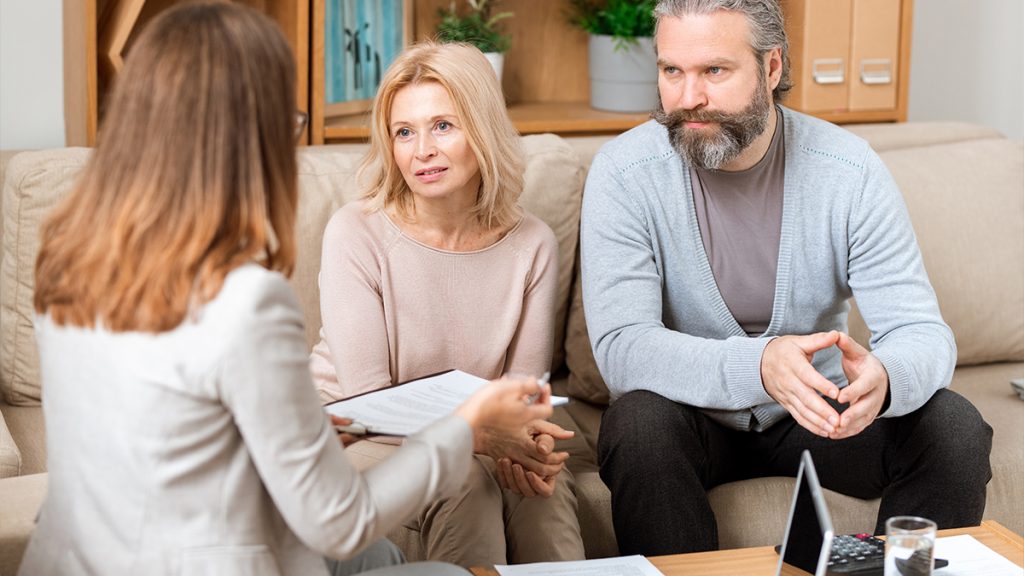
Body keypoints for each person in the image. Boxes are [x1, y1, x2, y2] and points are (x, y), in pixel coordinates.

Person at [20, 3, 555, 575]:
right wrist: (464, 429)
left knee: (388, 555)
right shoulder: (246, 300)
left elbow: (162, 435)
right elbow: (335, 520)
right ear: (249, 136)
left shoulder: (69, 263)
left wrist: (313, 427)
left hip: (74, 561)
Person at [581, 0, 993, 557]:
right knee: (637, 425)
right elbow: (623, 349)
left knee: (954, 427)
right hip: (691, 415)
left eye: (715, 71)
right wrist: (760, 365)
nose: (687, 97)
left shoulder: (849, 169)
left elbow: (922, 331)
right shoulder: (624, 173)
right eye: (671, 70)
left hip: (821, 410)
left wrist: (887, 378)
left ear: (772, 68)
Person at [308, 42, 586, 566]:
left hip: (471, 440)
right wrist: (481, 437)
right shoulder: (357, 233)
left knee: (543, 494)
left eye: (443, 126)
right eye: (404, 132)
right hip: (358, 437)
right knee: (466, 479)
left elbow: (521, 398)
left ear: (481, 130)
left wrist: (527, 446)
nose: (421, 151)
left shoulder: (533, 243)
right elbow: (370, 399)